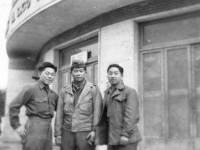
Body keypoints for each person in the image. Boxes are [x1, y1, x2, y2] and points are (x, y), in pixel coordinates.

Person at [9, 62, 58, 150]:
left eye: (52, 74)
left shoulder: (53, 94)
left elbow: (62, 110)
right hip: (34, 126)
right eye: (47, 73)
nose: (50, 76)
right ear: (40, 74)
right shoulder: (30, 89)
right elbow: (13, 106)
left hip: (48, 128)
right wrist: (16, 126)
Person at [54, 60, 102, 150]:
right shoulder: (64, 90)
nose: (78, 73)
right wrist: (58, 133)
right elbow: (59, 113)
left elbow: (98, 113)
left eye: (81, 71)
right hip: (67, 131)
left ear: (85, 72)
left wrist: (95, 131)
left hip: (85, 131)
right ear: (71, 72)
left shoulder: (93, 89)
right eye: (76, 71)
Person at [96, 64, 142, 150]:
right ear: (107, 76)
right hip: (112, 139)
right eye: (110, 73)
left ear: (122, 76)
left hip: (126, 139)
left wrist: (125, 134)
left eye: (116, 73)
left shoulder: (130, 92)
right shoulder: (107, 93)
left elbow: (132, 116)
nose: (113, 76)